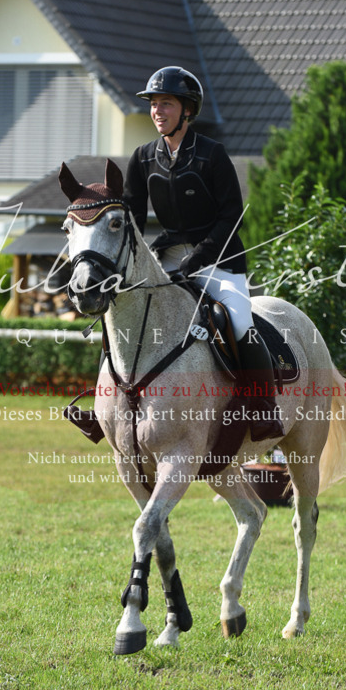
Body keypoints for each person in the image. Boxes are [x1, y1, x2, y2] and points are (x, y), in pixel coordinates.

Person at [65, 66, 284, 444]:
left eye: (166, 103)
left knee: (238, 320)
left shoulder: (212, 155)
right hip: (166, 258)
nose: (156, 111)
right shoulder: (143, 157)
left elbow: (232, 215)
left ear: (187, 111)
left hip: (219, 258)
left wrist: (198, 257)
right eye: (153, 104)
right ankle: (104, 409)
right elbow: (130, 218)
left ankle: (264, 409)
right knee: (120, 312)